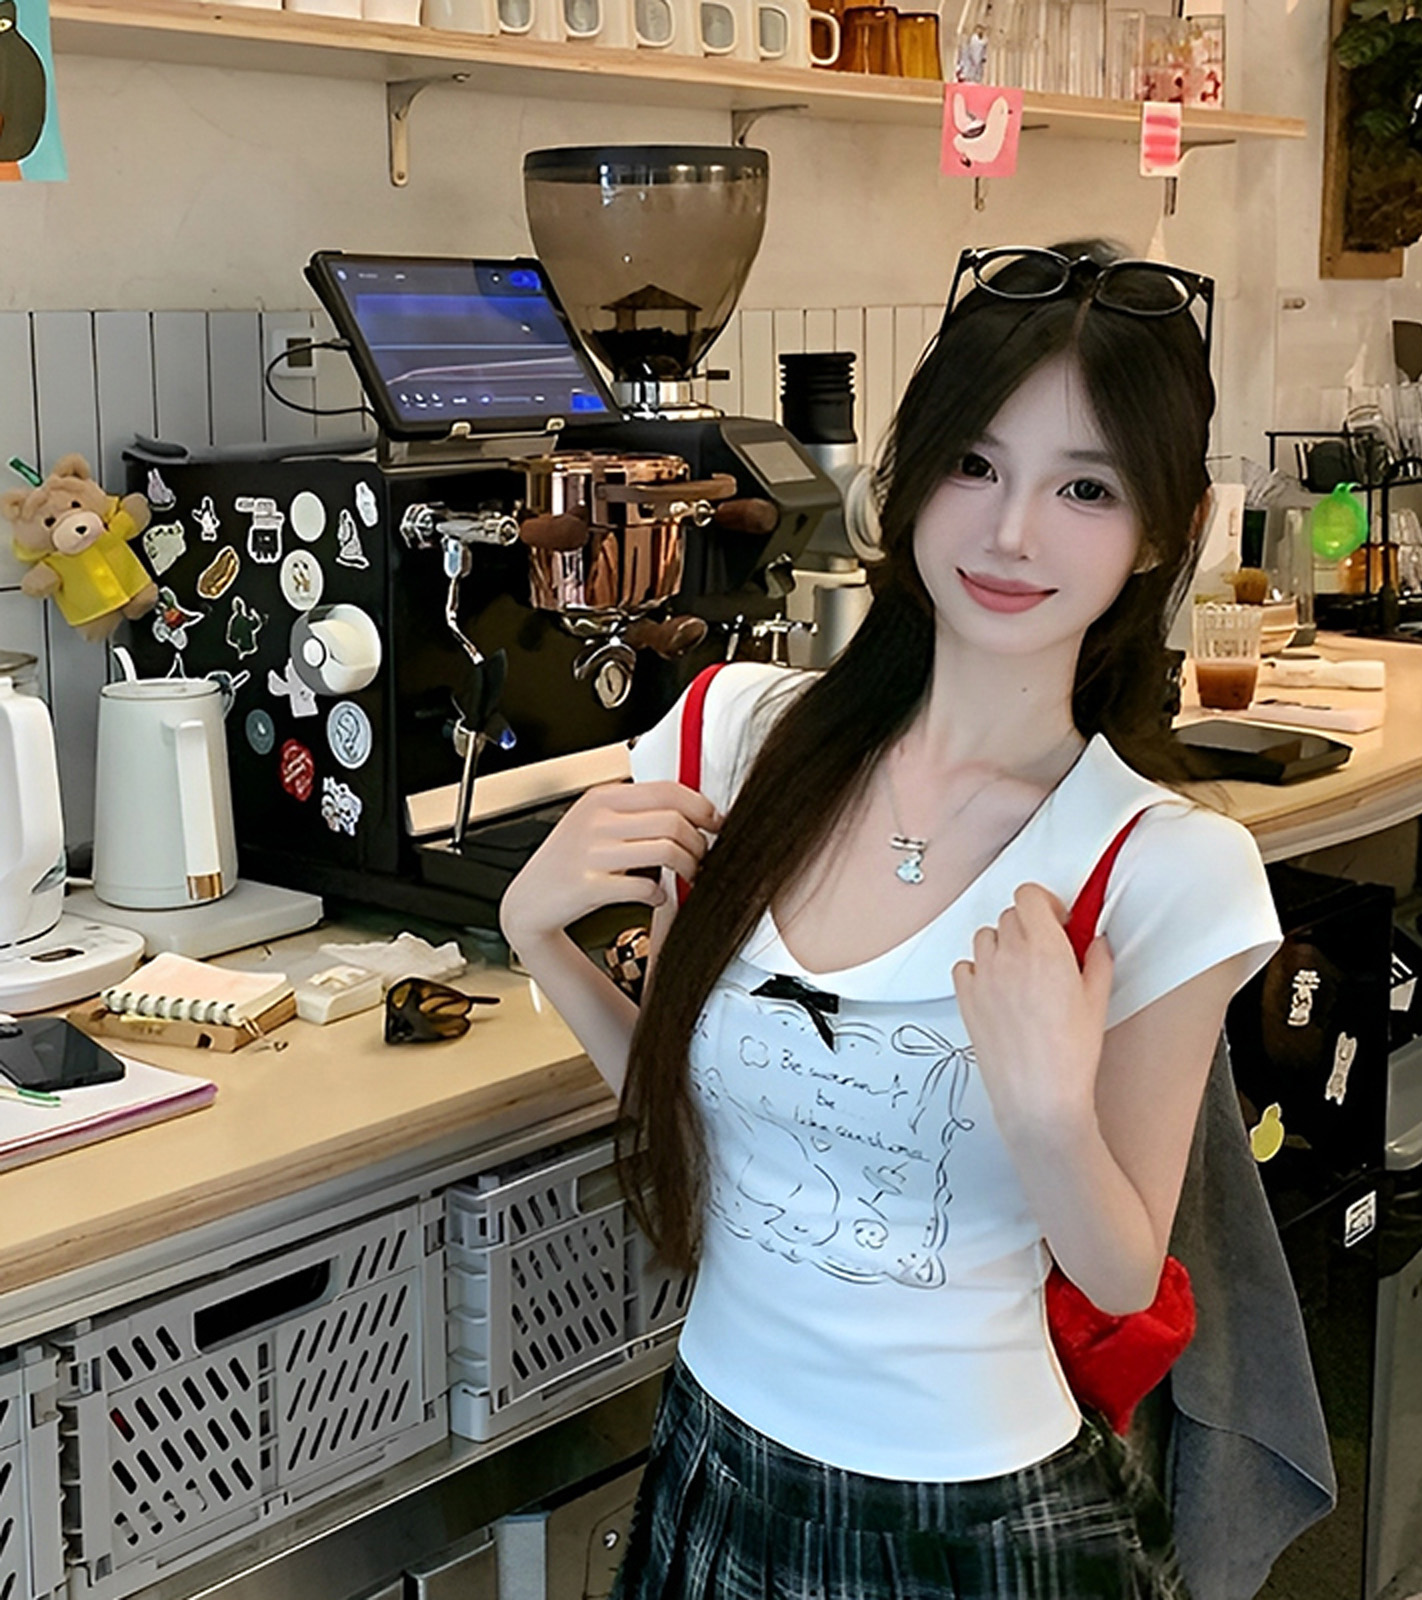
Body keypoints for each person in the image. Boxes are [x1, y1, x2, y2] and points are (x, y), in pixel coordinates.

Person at [500, 241, 1284, 1600]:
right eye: (975, 464)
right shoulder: (735, 734)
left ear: (1167, 529)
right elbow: (690, 1123)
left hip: (975, 1524)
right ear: (908, 475)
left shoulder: (1163, 865)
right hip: (711, 1464)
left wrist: (1050, 1114)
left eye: (1085, 487)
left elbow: (1120, 1274)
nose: (1012, 532)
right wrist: (538, 937)